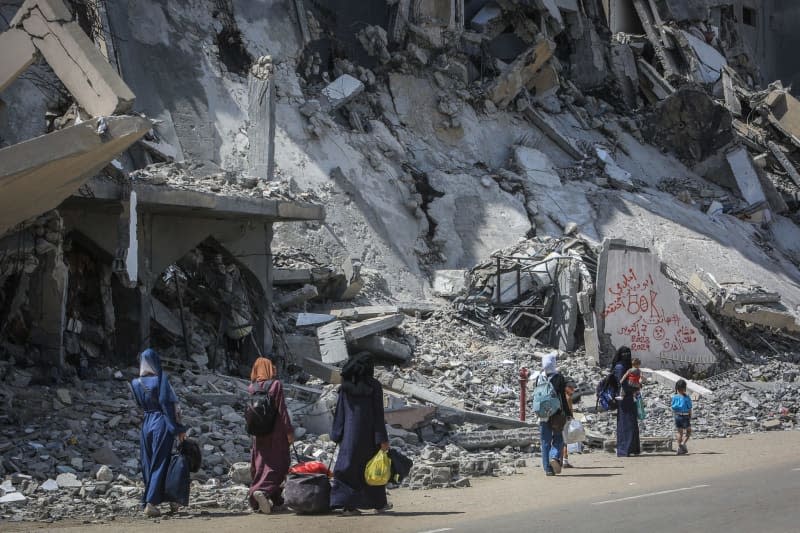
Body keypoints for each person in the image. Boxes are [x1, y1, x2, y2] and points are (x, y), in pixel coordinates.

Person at [330, 354, 390, 515]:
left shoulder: (345, 387)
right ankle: (378, 504)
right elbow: (378, 414)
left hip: (349, 436)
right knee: (372, 470)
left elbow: (340, 413)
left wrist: (336, 434)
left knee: (349, 469)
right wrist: (382, 439)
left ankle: (348, 506)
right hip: (369, 437)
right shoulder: (374, 386)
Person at [130, 349, 187, 518]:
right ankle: (152, 502)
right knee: (161, 462)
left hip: (146, 424)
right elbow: (169, 406)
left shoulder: (135, 383)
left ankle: (150, 498)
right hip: (161, 422)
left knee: (148, 462)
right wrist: (179, 429)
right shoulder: (161, 380)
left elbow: (139, 404)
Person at [247, 356, 293, 514]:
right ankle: (262, 491)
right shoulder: (275, 385)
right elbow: (282, 410)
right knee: (279, 464)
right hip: (276, 433)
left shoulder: (252, 387)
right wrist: (289, 431)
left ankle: (275, 500)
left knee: (261, 464)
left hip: (259, 434)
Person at [538, 352, 571, 476]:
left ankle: (547, 469)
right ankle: (554, 456)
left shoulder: (539, 377)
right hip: (556, 414)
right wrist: (568, 413)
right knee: (559, 438)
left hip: (542, 414)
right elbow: (562, 397)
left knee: (545, 442)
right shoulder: (558, 377)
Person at [611, 346, 641, 457]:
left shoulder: (627, 366)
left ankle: (632, 448)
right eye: (625, 353)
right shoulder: (620, 367)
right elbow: (621, 383)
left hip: (630, 398)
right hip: (624, 398)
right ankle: (625, 449)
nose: (627, 355)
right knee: (626, 423)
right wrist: (635, 388)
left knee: (631, 423)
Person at [671, 379, 693, 455]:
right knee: (689, 431)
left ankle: (679, 447)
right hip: (685, 416)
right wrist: (690, 416)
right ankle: (683, 444)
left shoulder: (674, 397)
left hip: (677, 416)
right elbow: (689, 408)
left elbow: (673, 408)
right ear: (684, 388)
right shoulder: (686, 397)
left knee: (679, 432)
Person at [561, 379, 578, 468]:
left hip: (560, 420)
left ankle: (561, 459)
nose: (573, 389)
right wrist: (572, 418)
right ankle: (565, 461)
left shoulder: (560, 396)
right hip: (566, 420)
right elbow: (570, 410)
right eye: (570, 387)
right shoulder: (568, 398)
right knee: (565, 441)